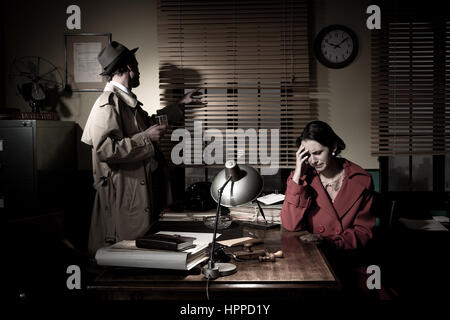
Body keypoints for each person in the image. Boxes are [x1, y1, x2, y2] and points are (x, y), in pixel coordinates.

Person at [81, 41, 200, 255]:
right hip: (125, 196)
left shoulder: (126, 102)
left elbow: (149, 125)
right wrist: (145, 138)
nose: (139, 70)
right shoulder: (108, 103)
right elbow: (105, 150)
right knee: (127, 255)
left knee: (142, 250)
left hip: (138, 191)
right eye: (136, 65)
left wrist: (179, 105)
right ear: (127, 68)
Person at [281, 120, 375, 250]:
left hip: (347, 256)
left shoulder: (362, 180)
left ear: (334, 147)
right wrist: (298, 174)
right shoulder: (300, 179)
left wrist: (330, 243)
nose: (312, 161)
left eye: (318, 153)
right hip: (313, 254)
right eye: (307, 155)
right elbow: (290, 225)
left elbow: (363, 232)